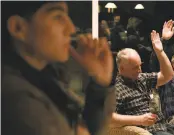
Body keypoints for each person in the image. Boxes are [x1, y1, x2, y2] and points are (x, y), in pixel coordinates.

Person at [2, 1, 113, 135]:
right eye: (58, 16)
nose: (71, 29)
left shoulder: (45, 79)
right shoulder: (15, 98)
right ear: (18, 27)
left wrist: (100, 82)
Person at [109, 30, 174, 135]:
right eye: (135, 67)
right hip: (149, 131)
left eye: (140, 65)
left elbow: (168, 75)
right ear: (122, 68)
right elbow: (109, 118)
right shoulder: (115, 89)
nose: (140, 70)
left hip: (165, 126)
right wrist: (138, 119)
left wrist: (160, 52)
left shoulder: (142, 78)